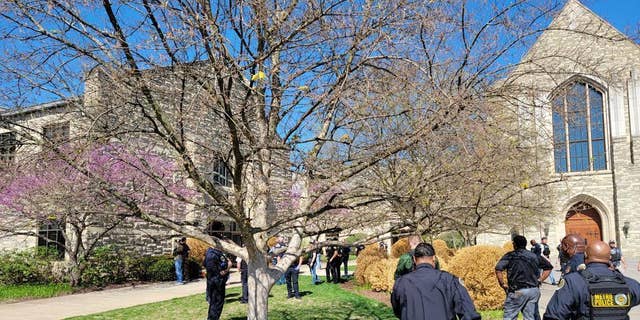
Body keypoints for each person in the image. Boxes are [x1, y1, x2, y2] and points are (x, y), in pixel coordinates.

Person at [543, 240, 640, 319]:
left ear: (585, 256)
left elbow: (553, 315)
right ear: (610, 257)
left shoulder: (573, 281)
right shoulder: (629, 283)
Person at [391, 243, 481, 320]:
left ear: (414, 259)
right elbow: (469, 313)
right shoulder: (450, 280)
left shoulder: (401, 283)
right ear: (434, 258)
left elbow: (397, 310)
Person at [495, 235, 553, 320]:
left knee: (509, 316)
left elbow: (498, 269)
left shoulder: (510, 256)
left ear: (514, 244)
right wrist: (540, 280)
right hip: (533, 291)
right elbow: (548, 267)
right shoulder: (534, 256)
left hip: (517, 291)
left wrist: (502, 284)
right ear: (525, 244)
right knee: (531, 317)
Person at [203, 247, 229, 320]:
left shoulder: (208, 252)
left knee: (213, 301)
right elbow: (224, 266)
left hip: (211, 280)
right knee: (218, 302)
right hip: (218, 281)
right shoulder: (217, 254)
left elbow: (204, 264)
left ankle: (211, 317)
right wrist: (227, 268)